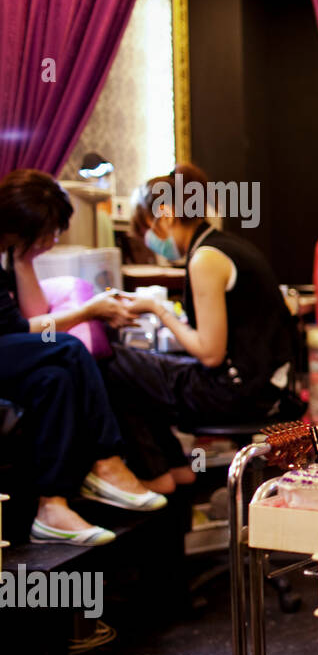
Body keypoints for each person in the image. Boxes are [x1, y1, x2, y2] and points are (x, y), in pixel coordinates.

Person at [100, 164, 299, 493]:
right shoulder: (228, 245)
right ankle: (175, 468)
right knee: (140, 373)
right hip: (267, 389)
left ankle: (157, 474)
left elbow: (209, 352)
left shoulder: (205, 258)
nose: (151, 242)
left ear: (164, 216)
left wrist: (156, 308)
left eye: (147, 230)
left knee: (114, 363)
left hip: (235, 394)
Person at [0, 169, 166, 545]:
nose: (54, 240)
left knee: (53, 380)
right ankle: (107, 460)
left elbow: (29, 315)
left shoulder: (9, 256)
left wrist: (24, 261)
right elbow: (23, 332)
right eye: (51, 231)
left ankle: (51, 506)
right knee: (70, 348)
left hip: (7, 349)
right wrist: (87, 312)